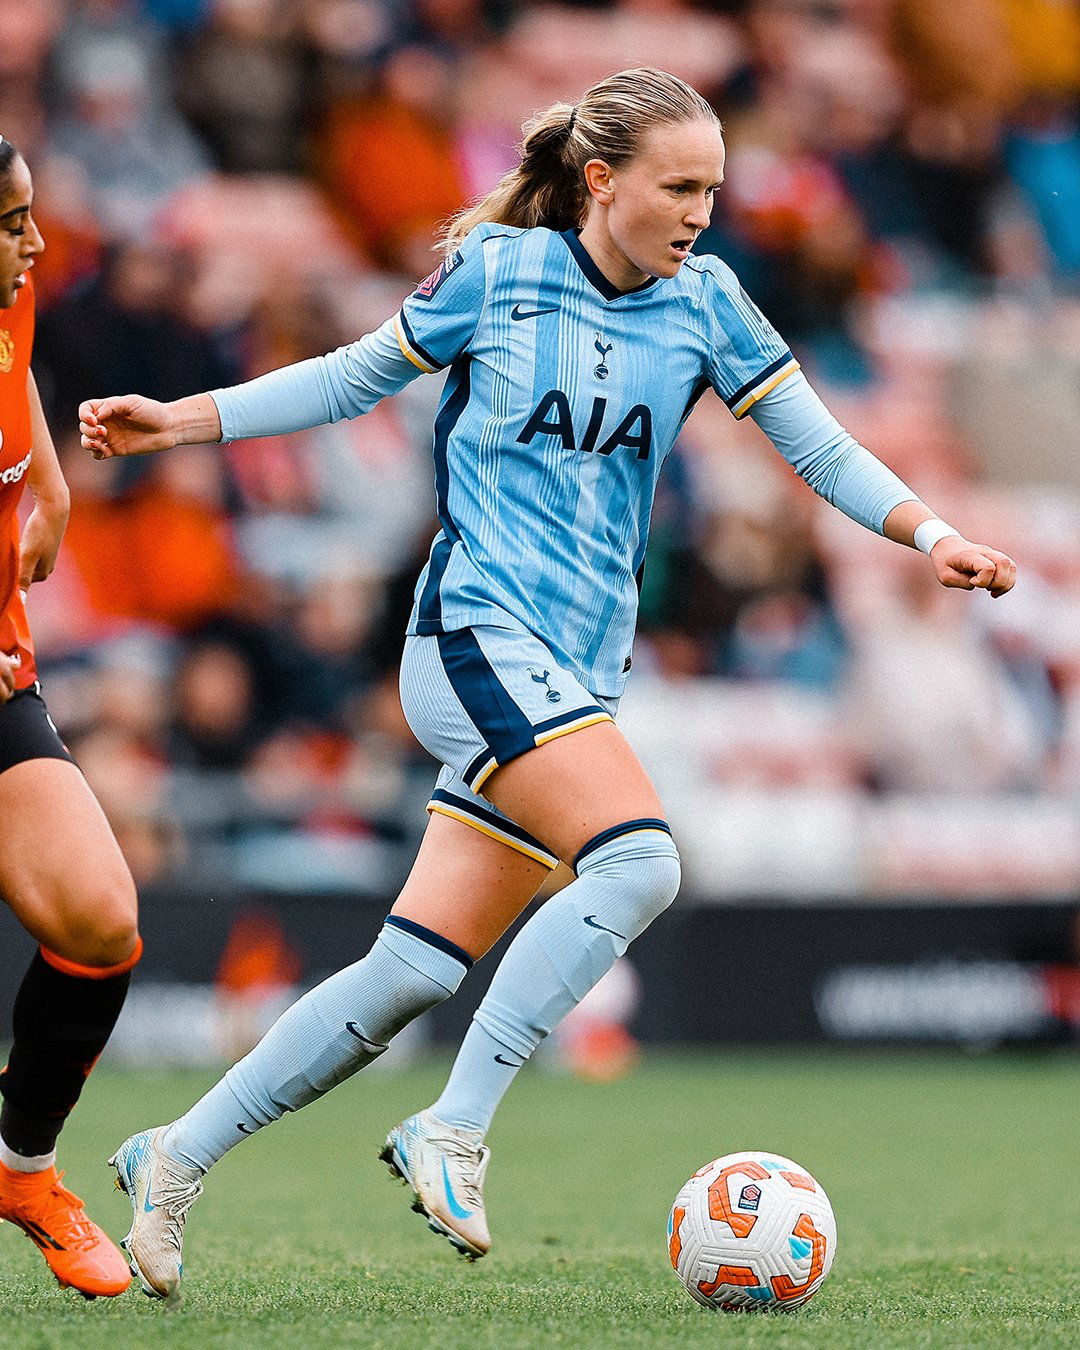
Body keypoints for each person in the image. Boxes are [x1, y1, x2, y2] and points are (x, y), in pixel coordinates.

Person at [79, 68, 1016, 1301]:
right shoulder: (501, 275)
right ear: (601, 179)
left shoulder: (707, 305)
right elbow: (352, 376)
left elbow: (815, 443)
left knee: (411, 969)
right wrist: (182, 420)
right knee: (640, 861)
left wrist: (926, 532)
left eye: (715, 191)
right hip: (473, 636)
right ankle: (455, 1128)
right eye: (680, 187)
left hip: (575, 675)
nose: (700, 212)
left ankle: (176, 1155)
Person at [0, 136, 141, 1300]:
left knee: (98, 921)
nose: (36, 244)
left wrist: (47, 480)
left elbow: (18, 373)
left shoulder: (12, 295)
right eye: (10, 224)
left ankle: (22, 1167)